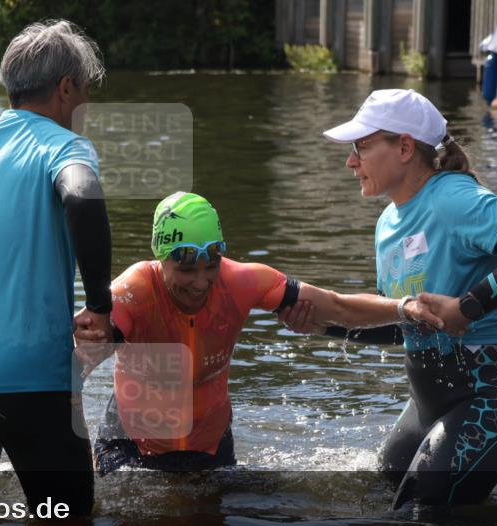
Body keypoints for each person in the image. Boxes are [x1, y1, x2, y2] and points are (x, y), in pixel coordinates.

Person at [281, 88, 497, 508]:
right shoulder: (387, 224)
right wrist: (324, 326)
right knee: (382, 495)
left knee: (424, 515)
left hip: (490, 396)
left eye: (361, 147)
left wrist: (469, 307)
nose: (350, 162)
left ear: (404, 148)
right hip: (428, 402)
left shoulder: (454, 198)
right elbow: (402, 327)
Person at [74, 191, 446, 476]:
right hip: (132, 447)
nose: (200, 282)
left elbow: (337, 306)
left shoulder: (242, 281)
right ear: (161, 256)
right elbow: (76, 364)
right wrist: (88, 347)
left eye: (211, 265)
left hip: (210, 445)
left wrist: (405, 308)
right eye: (186, 270)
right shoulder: (133, 292)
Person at [0, 20, 112, 517]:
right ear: (66, 88)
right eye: (85, 92)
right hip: (30, 374)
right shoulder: (61, 145)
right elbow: (82, 194)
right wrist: (100, 305)